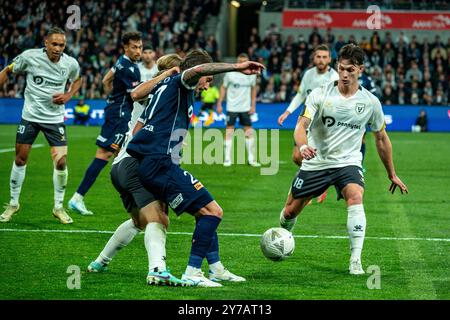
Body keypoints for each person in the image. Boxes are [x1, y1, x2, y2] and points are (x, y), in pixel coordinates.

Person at [126, 49, 265, 287]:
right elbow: (200, 70)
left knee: (205, 210)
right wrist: (236, 66)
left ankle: (216, 268)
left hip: (157, 163)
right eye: (208, 81)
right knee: (213, 212)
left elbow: (138, 127)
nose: (207, 85)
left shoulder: (165, 86)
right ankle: (192, 271)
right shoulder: (183, 80)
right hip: (160, 164)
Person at [279, 44, 408, 275]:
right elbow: (301, 126)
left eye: (350, 70)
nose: (345, 75)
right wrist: (303, 145)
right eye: (341, 69)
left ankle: (355, 260)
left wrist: (392, 173)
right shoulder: (320, 93)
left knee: (355, 195)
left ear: (361, 69)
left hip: (347, 162)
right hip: (316, 161)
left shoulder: (370, 102)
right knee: (289, 213)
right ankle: (284, 233)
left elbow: (381, 138)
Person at [87, 54, 189, 286]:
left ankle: (100, 261)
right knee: (159, 218)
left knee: (139, 221)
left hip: (121, 165)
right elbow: (137, 95)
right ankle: (157, 269)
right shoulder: (160, 89)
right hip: (138, 163)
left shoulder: (157, 90)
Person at [0, 27, 81, 224]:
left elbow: (77, 79)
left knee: (61, 162)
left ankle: (58, 207)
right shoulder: (29, 57)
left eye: (61, 45)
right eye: (54, 44)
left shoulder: (70, 63)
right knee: (20, 159)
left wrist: (69, 95)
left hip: (55, 120)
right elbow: (8, 70)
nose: (58, 48)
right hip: (30, 116)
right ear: (46, 43)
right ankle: (13, 203)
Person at [68, 32, 143, 215]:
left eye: (140, 47)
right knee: (105, 154)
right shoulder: (129, 68)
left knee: (126, 154)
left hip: (116, 111)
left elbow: (105, 80)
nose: (138, 51)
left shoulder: (121, 62)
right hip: (119, 115)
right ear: (125, 47)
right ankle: (77, 197)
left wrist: (113, 97)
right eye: (134, 47)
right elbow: (136, 94)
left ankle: (135, 200)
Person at [278, 44, 339, 204]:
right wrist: (287, 112)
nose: (321, 60)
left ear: (330, 59)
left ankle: (311, 188)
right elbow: (300, 95)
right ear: (314, 58)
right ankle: (317, 184)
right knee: (297, 157)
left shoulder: (334, 78)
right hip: (305, 119)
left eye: (324, 57)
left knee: (314, 158)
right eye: (318, 56)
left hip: (322, 124)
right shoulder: (308, 74)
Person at [216, 53, 260, 167]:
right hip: (232, 107)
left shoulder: (251, 74)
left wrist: (253, 105)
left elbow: (253, 89)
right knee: (229, 131)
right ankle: (227, 159)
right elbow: (223, 88)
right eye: (240, 61)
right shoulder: (230, 73)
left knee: (249, 132)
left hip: (245, 108)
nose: (242, 63)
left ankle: (251, 159)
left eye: (244, 61)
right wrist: (219, 103)